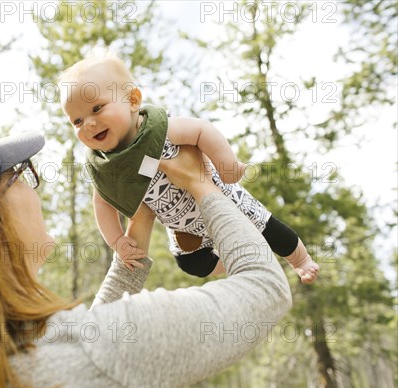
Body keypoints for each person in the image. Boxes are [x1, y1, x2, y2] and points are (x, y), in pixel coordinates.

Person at [0, 132, 292, 388]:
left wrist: (138, 228)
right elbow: (264, 290)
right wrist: (203, 187)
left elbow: (82, 347)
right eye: (20, 175)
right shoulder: (94, 349)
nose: (35, 186)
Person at [59, 55, 319, 283]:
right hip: (182, 227)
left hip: (224, 201)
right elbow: (102, 204)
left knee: (272, 231)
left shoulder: (158, 129)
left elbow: (201, 130)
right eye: (77, 120)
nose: (89, 124)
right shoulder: (105, 166)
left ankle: (301, 261)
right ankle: (240, 261)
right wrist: (117, 240)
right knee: (192, 264)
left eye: (97, 108)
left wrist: (226, 163)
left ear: (133, 100)